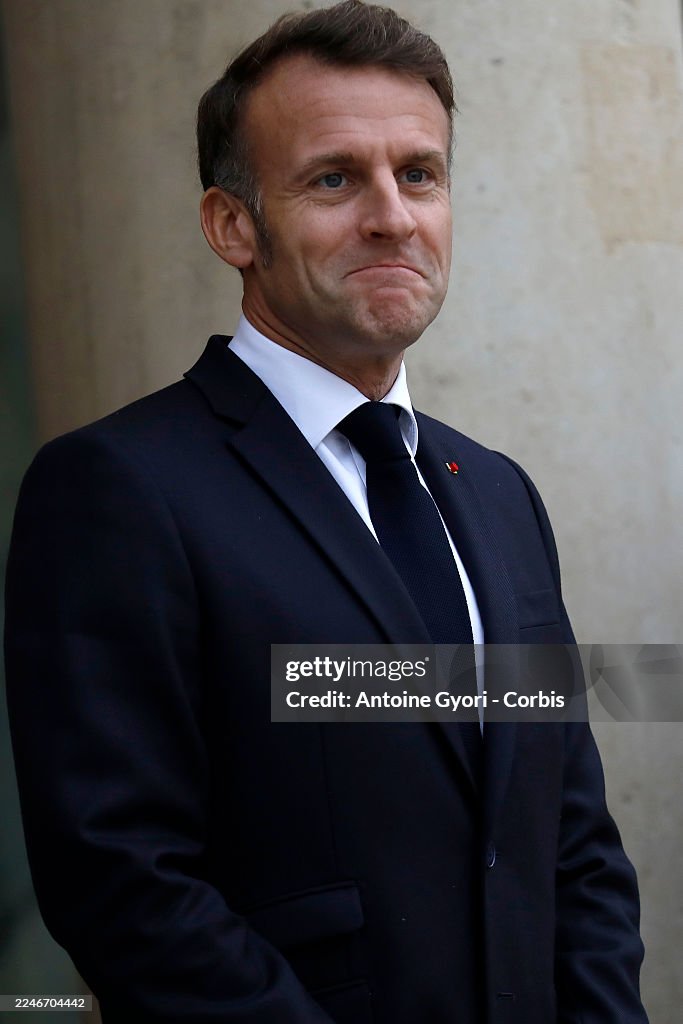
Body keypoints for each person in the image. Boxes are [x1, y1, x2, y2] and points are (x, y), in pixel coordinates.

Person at [5, 2, 648, 1022]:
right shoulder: (117, 490)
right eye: (334, 178)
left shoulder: (496, 492)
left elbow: (571, 846)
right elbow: (121, 879)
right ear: (232, 225)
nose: (391, 214)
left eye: (419, 174)